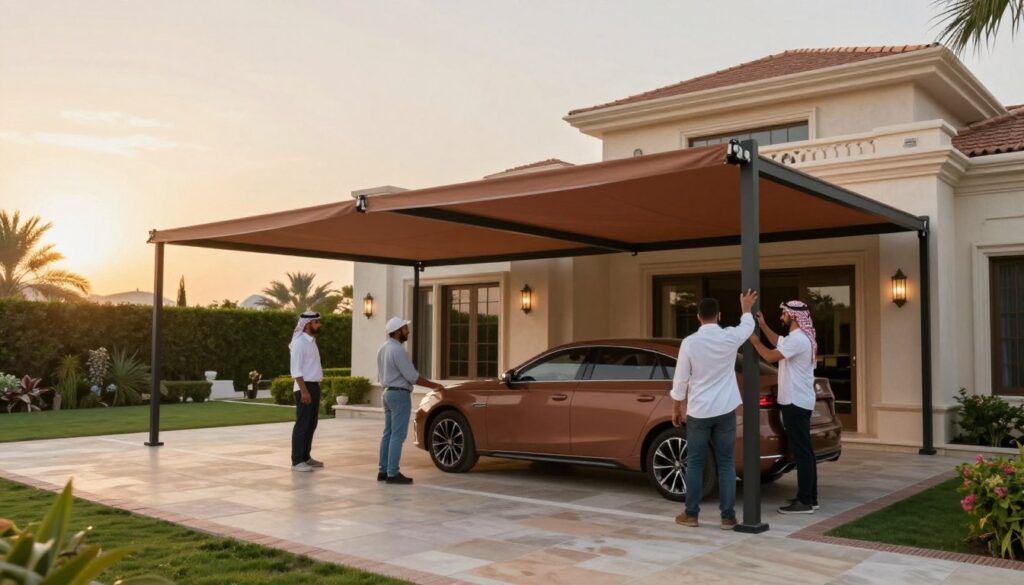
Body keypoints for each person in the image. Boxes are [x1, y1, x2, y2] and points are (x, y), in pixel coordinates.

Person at [671, 290, 758, 530]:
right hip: (725, 410)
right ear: (718, 316)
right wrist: (745, 308)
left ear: (699, 317)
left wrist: (676, 407)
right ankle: (728, 517)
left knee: (696, 462)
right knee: (726, 463)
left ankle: (691, 514)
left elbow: (680, 380)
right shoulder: (729, 337)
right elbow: (746, 327)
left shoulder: (689, 343)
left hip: (699, 411)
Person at [748, 301, 819, 514]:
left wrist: (753, 340)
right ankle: (810, 498)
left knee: (802, 452)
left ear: (793, 316)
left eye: (784, 314)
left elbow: (770, 356)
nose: (782, 317)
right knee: (805, 452)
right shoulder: (798, 339)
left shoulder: (798, 340)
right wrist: (763, 325)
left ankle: (805, 501)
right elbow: (779, 342)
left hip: (796, 403)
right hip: (800, 401)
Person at [376, 317, 445, 485]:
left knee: (388, 433)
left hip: (387, 393)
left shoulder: (383, 348)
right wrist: (435, 385)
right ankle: (393, 473)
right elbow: (412, 377)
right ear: (398, 331)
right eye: (405, 328)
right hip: (399, 395)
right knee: (397, 435)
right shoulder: (398, 350)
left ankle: (383, 471)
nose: (408, 330)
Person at [290, 310, 324, 472]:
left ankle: (306, 457)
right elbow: (296, 370)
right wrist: (304, 391)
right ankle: (297, 461)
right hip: (304, 387)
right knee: (302, 424)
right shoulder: (299, 343)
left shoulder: (311, 342)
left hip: (313, 386)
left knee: (312, 423)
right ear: (307, 324)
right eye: (316, 322)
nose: (319, 325)